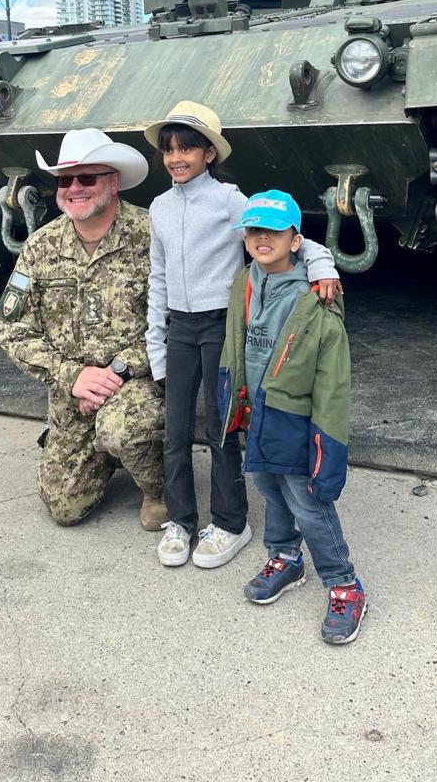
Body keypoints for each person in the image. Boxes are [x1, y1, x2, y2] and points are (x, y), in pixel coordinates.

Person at [144, 101, 340, 570]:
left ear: (209, 153)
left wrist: (322, 264)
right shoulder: (160, 207)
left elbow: (287, 233)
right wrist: (156, 342)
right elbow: (158, 276)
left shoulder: (230, 199)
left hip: (222, 325)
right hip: (179, 327)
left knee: (221, 425)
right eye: (169, 150)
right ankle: (180, 519)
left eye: (187, 149)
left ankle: (230, 521)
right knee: (174, 430)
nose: (176, 158)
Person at [0, 128, 166, 531]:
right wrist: (74, 377)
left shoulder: (152, 235)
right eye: (65, 180)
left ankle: (159, 488)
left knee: (123, 429)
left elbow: (176, 319)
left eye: (87, 178)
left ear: (113, 182)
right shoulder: (41, 247)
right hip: (71, 392)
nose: (74, 188)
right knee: (64, 507)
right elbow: (12, 328)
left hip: (136, 385)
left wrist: (116, 373)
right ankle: (103, 451)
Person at [219, 189, 364, 645]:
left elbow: (333, 383)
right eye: (254, 231)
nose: (262, 239)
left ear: (295, 240)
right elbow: (236, 343)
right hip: (255, 412)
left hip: (296, 419)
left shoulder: (316, 298)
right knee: (268, 488)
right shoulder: (244, 282)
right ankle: (284, 557)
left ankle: (344, 584)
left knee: (309, 502)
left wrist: (328, 443)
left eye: (273, 232)